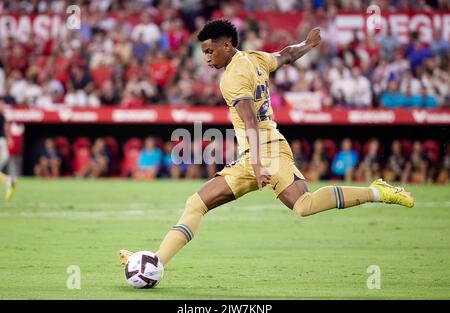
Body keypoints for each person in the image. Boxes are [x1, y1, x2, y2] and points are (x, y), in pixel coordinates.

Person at [119, 20, 414, 279]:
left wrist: (259, 165)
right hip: (252, 155)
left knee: (303, 206)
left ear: (227, 45)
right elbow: (285, 55)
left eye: (210, 51)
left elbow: (250, 122)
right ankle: (154, 263)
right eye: (203, 52)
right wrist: (307, 44)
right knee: (195, 203)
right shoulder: (254, 59)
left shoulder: (232, 78)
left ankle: (378, 191)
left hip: (266, 150)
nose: (206, 58)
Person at [0, 101, 15, 200]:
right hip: (3, 142)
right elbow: (6, 127)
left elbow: (6, 127)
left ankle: (8, 180)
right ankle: (8, 181)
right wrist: (9, 138)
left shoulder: (1, 116)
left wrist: (9, 138)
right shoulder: (2, 116)